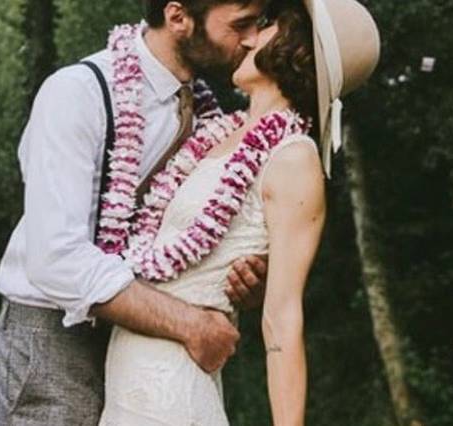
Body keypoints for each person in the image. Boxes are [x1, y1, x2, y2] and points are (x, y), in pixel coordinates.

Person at [0, 1, 272, 424]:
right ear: (178, 17)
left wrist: (242, 281)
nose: (252, 40)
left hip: (145, 349)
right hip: (55, 341)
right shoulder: (76, 93)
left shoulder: (208, 117)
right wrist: (190, 325)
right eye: (241, 25)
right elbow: (56, 258)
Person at [97, 0, 380, 424]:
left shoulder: (293, 158)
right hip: (128, 383)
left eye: (263, 26)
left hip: (172, 396)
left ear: (294, 48)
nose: (245, 38)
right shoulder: (218, 134)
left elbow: (282, 318)